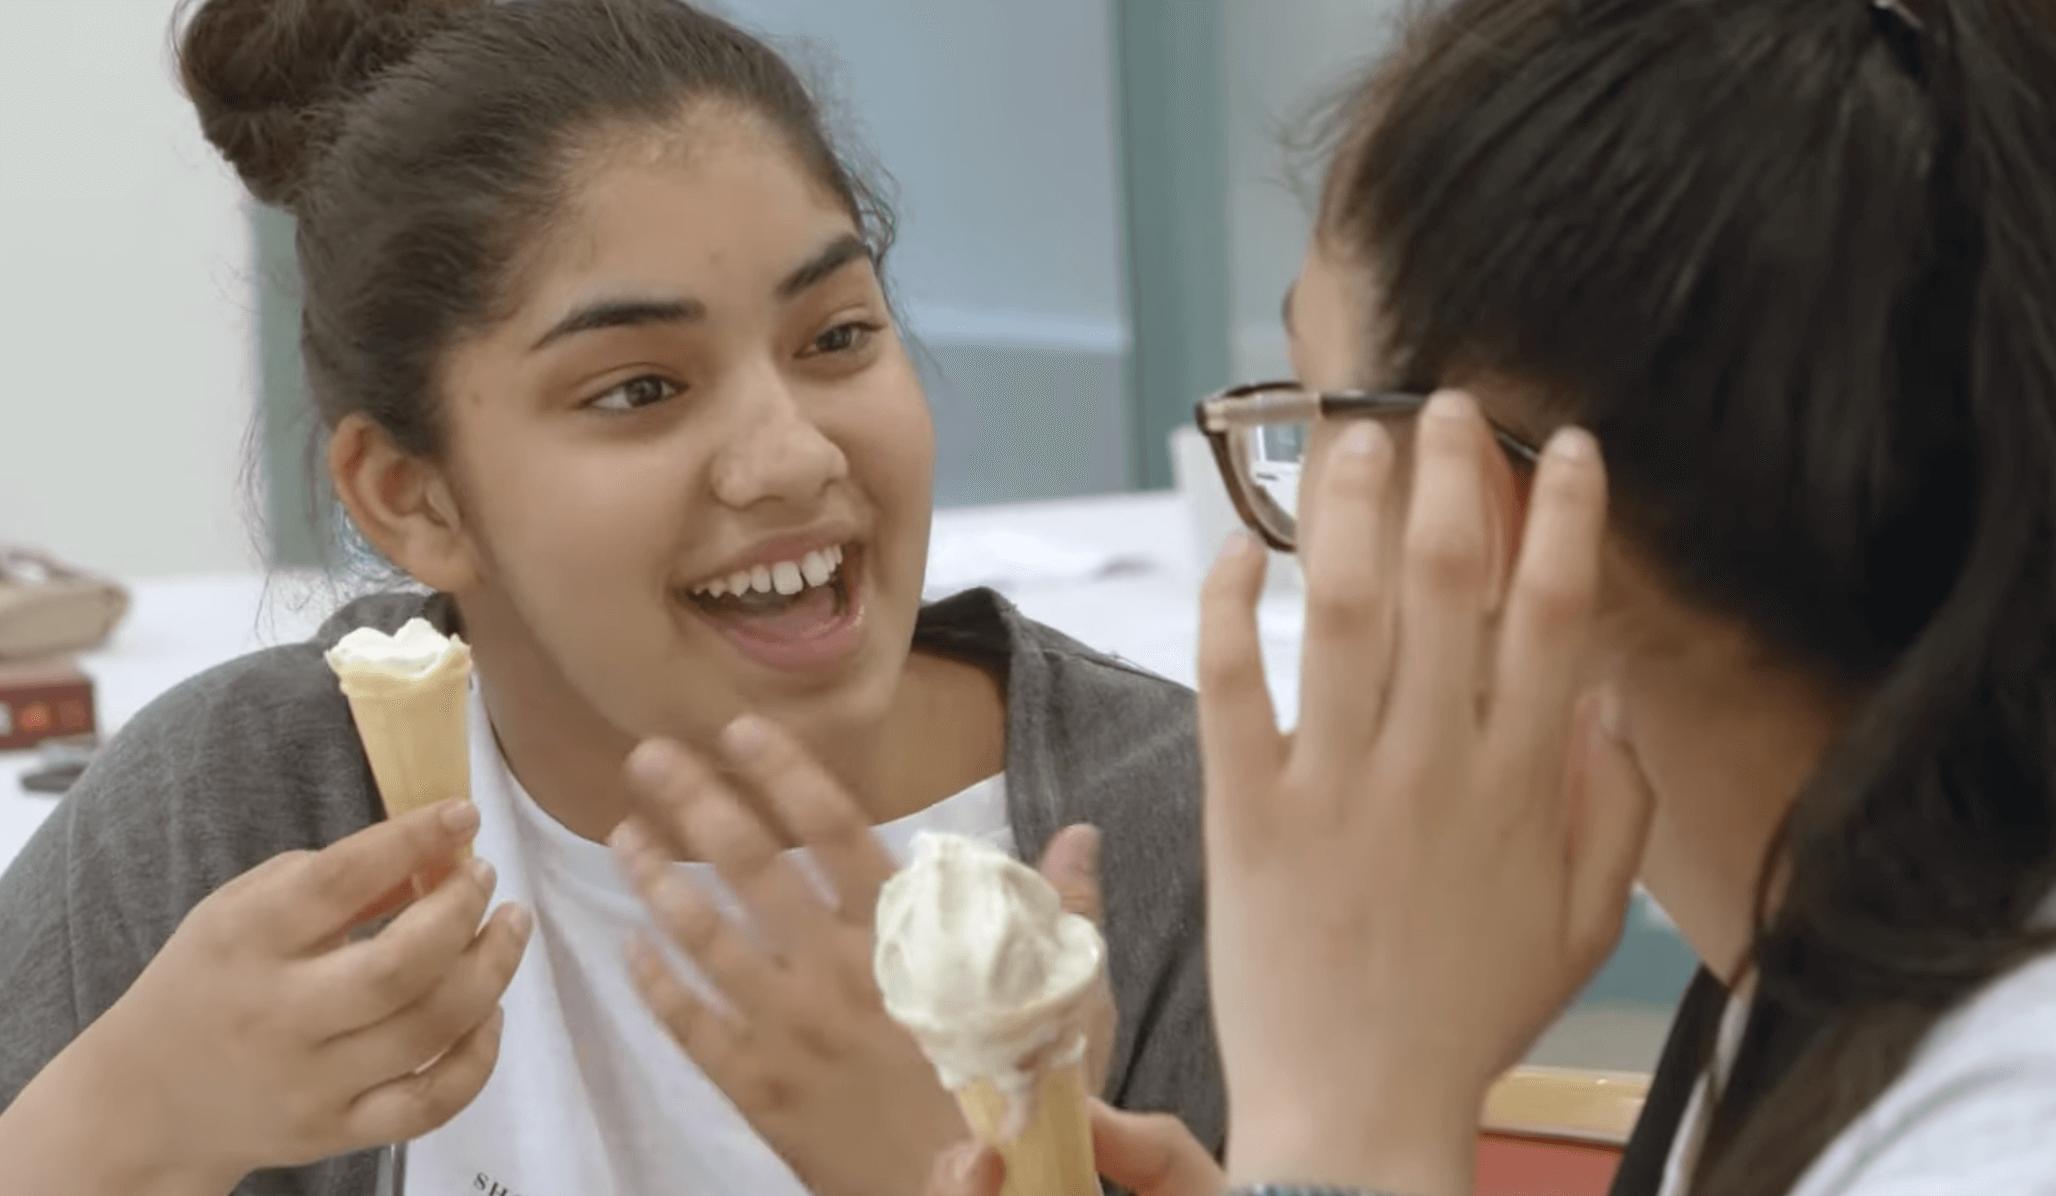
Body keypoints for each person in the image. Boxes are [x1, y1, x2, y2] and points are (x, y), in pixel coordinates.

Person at [0, 2, 1224, 1194]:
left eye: (837, 335)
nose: (794, 455)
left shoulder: (1185, 835)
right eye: (641, 389)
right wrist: (119, 1130)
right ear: (413, 496)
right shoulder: (235, 815)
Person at [917, 0, 2056, 1192]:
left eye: (1311, 407)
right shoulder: (1840, 950)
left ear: (1473, 514)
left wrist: (1335, 1136)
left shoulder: (2034, 1128)